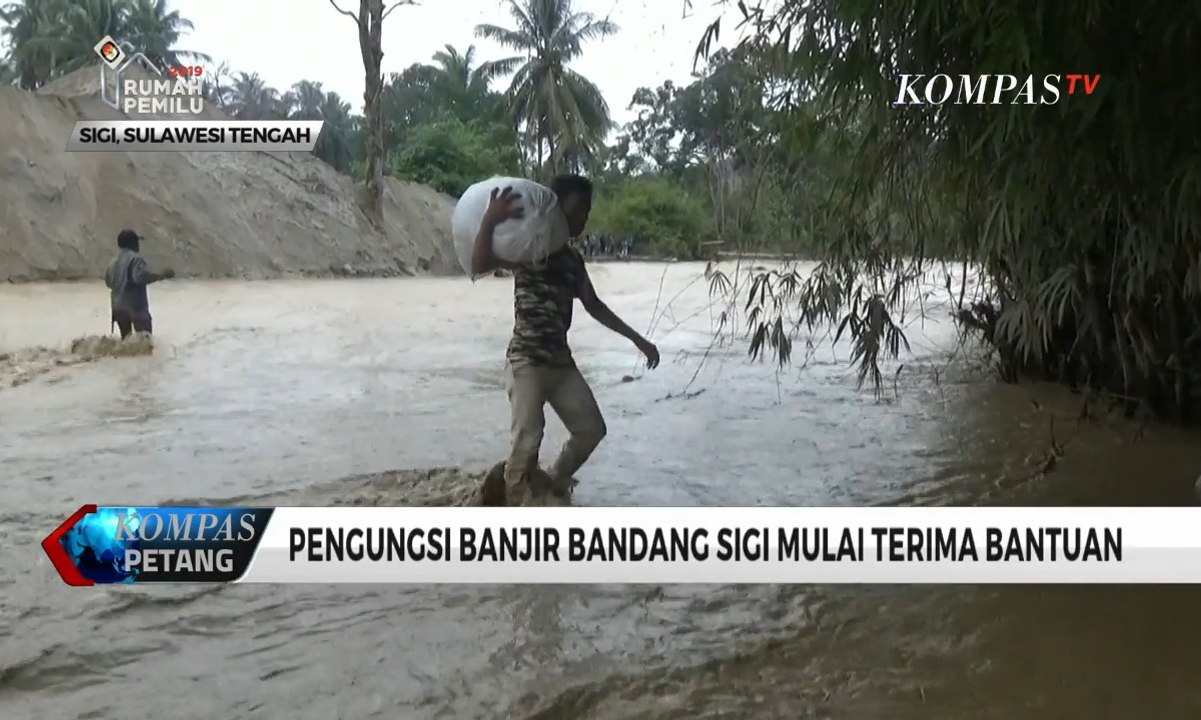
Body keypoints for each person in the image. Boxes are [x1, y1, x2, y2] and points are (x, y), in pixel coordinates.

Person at [470, 175, 660, 505]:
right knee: (527, 441)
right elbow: (478, 266)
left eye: (586, 211)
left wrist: (639, 340)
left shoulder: (572, 261)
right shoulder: (529, 248)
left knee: (591, 430)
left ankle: (553, 483)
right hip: (526, 361)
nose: (583, 218)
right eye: (577, 210)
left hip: (560, 363)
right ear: (556, 210)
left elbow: (594, 306)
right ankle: (515, 507)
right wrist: (490, 219)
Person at [105, 229, 174, 338]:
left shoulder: (113, 262)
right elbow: (139, 277)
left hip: (117, 307)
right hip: (136, 307)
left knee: (126, 342)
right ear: (133, 243)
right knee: (145, 341)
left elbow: (108, 283)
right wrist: (162, 275)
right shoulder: (136, 259)